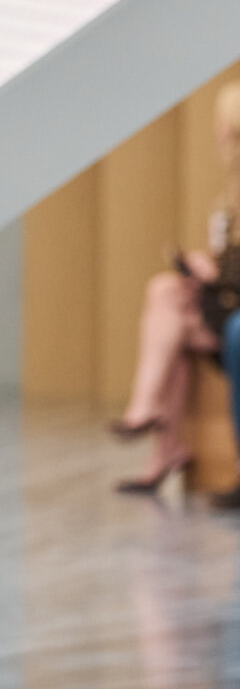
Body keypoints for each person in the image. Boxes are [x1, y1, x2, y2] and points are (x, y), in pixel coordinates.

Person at [112, 80, 240, 494]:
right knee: (165, 291)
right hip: (227, 305)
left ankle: (150, 420)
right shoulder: (229, 192)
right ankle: (158, 432)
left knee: (168, 302)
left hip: (234, 310)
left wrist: (215, 273)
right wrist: (207, 268)